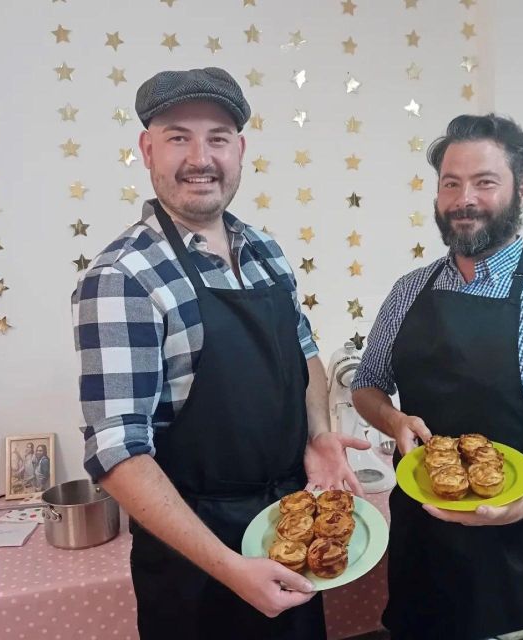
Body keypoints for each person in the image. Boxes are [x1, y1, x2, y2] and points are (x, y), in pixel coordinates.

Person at [72, 66, 369, 640]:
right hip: (196, 567)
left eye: (218, 138)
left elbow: (303, 353)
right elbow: (117, 453)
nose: (199, 157)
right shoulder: (122, 278)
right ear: (147, 149)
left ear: (240, 150)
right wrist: (232, 568)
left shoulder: (265, 250)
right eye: (178, 136)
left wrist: (317, 435)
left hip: (286, 530)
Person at [351, 114, 523, 640]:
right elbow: (367, 383)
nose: (463, 198)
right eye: (451, 183)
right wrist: (393, 418)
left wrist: (521, 504)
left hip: (508, 548)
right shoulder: (408, 291)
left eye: (484, 182)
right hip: (417, 533)